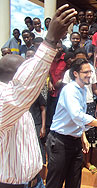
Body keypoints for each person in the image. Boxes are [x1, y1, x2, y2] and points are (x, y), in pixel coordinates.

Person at [0, 4, 78, 187]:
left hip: (35, 181)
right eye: (24, 70)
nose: (31, 74)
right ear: (16, 77)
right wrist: (50, 39)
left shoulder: (20, 103)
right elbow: (27, 86)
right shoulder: (5, 101)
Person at [46, 58, 97, 188]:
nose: (89, 75)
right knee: (55, 183)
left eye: (90, 71)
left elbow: (78, 119)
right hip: (60, 142)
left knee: (74, 181)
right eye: (85, 72)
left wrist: (82, 136)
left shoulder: (83, 90)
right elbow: (77, 115)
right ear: (76, 73)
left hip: (75, 141)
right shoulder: (70, 90)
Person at [46, 40, 67, 132]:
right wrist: (49, 82)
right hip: (52, 92)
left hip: (62, 92)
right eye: (55, 48)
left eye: (58, 48)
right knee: (51, 113)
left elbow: (70, 72)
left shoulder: (65, 59)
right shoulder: (50, 59)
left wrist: (62, 81)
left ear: (61, 48)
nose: (56, 50)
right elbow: (48, 73)